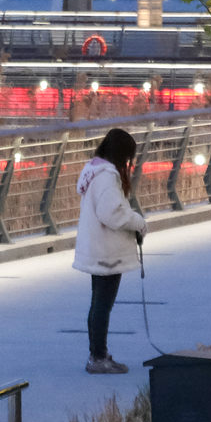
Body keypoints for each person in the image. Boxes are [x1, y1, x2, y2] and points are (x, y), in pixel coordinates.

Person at [73, 128, 147, 374]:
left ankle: (97, 354)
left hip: (97, 248)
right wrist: (138, 222)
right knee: (103, 305)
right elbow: (112, 213)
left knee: (98, 304)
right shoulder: (107, 177)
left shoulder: (94, 172)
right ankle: (98, 356)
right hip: (106, 251)